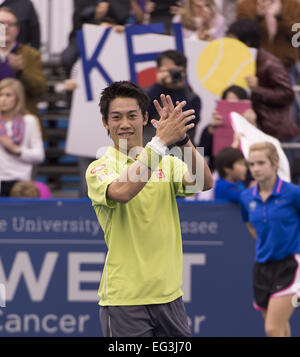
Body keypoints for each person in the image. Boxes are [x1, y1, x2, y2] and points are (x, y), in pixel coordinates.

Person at [85, 81, 213, 337]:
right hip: (124, 300)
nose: (124, 124)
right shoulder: (99, 167)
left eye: (132, 116)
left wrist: (182, 139)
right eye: (116, 117)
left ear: (144, 118)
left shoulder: (166, 161)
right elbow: (123, 192)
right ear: (104, 122)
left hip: (170, 295)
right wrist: (159, 142)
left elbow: (204, 182)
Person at [240, 142, 300, 337]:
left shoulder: (293, 193)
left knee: (272, 329)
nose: (255, 169)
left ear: (274, 163)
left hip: (291, 265)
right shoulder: (246, 197)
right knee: (280, 327)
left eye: (260, 163)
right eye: (252, 164)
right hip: (262, 267)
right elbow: (250, 225)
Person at [227, 18, 299, 142]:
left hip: (277, 132)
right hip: (252, 129)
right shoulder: (237, 61)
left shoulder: (270, 63)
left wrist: (258, 89)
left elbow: (288, 94)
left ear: (247, 42)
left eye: (233, 40)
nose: (229, 44)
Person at [145, 49, 201, 146]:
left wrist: (178, 88)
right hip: (149, 151)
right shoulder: (145, 93)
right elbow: (143, 116)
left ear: (184, 72)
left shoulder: (193, 98)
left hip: (181, 154)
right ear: (158, 71)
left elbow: (188, 123)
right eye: (169, 71)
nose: (173, 74)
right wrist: (159, 85)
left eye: (176, 71)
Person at [0, 7, 47, 121]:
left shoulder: (30, 54)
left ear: (17, 29)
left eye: (10, 24)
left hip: (22, 119)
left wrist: (21, 72)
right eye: (1, 23)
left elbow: (40, 90)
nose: (5, 27)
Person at [0, 78, 45, 196]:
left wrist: (16, 150)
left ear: (18, 98)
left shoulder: (29, 121)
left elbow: (39, 156)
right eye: (1, 94)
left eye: (8, 95)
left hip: (20, 183)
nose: (3, 99)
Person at [199, 85, 256, 171]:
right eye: (228, 103)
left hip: (244, 173)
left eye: (236, 104)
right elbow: (200, 154)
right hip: (218, 171)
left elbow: (257, 152)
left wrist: (252, 126)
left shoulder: (252, 126)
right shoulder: (212, 127)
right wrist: (210, 130)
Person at [236, 0, 300, 73]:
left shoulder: (293, 5)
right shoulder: (246, 5)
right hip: (254, 68)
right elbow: (241, 35)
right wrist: (258, 17)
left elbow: (297, 35)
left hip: (286, 67)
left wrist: (280, 17)